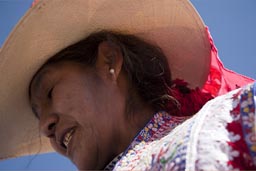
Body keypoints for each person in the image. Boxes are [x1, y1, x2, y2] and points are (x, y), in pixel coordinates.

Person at [0, 0, 255, 170]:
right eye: (38, 114)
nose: (44, 125)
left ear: (109, 60)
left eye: (50, 91)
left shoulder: (234, 117)